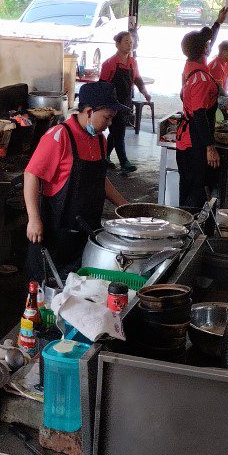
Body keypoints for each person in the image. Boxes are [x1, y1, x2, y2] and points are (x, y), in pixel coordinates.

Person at [23, 81, 130, 282]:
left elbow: (100, 179)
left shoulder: (100, 140)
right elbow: (31, 174)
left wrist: (124, 206)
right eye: (107, 117)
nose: (109, 124)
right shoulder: (59, 136)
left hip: (87, 233)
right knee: (48, 291)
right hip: (55, 235)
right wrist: (33, 218)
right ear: (89, 111)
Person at [176, 7, 228, 210]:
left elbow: (207, 42)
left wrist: (218, 22)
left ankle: (186, 230)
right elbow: (199, 115)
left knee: (190, 190)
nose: (210, 46)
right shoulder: (200, 79)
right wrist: (210, 147)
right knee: (195, 194)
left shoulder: (191, 64)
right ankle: (190, 234)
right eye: (208, 45)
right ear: (204, 49)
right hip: (194, 143)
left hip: (186, 140)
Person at [99, 30, 151, 174]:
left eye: (131, 42)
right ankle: (124, 162)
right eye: (126, 42)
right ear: (117, 44)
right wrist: (102, 107)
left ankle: (104, 157)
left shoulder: (132, 62)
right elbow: (102, 85)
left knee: (116, 132)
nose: (129, 45)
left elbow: (138, 80)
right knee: (119, 132)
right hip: (112, 103)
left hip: (126, 103)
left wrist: (145, 93)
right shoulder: (109, 63)